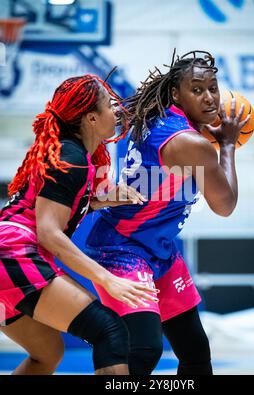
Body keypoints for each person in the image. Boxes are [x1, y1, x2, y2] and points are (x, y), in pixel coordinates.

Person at [85, 51, 250, 375]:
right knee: (144, 349)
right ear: (176, 93)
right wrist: (227, 145)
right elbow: (225, 205)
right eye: (197, 89)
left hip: (158, 249)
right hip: (121, 247)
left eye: (213, 88)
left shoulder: (152, 114)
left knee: (196, 354)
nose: (210, 98)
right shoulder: (191, 142)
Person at [0, 74, 158, 375]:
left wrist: (102, 199)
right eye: (110, 105)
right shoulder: (72, 158)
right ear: (91, 118)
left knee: (47, 353)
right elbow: (48, 232)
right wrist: (105, 278)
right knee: (109, 331)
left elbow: (53, 205)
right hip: (13, 255)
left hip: (7, 257)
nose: (118, 111)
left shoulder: (70, 153)